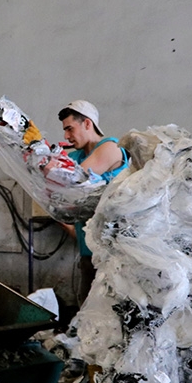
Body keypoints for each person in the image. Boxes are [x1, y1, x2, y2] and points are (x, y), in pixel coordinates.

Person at [57, 100, 129, 303]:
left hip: (115, 255)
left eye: (70, 129)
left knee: (112, 311)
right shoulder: (76, 157)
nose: (66, 136)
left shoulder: (111, 148)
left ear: (87, 123)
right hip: (88, 254)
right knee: (87, 313)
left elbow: (70, 181)